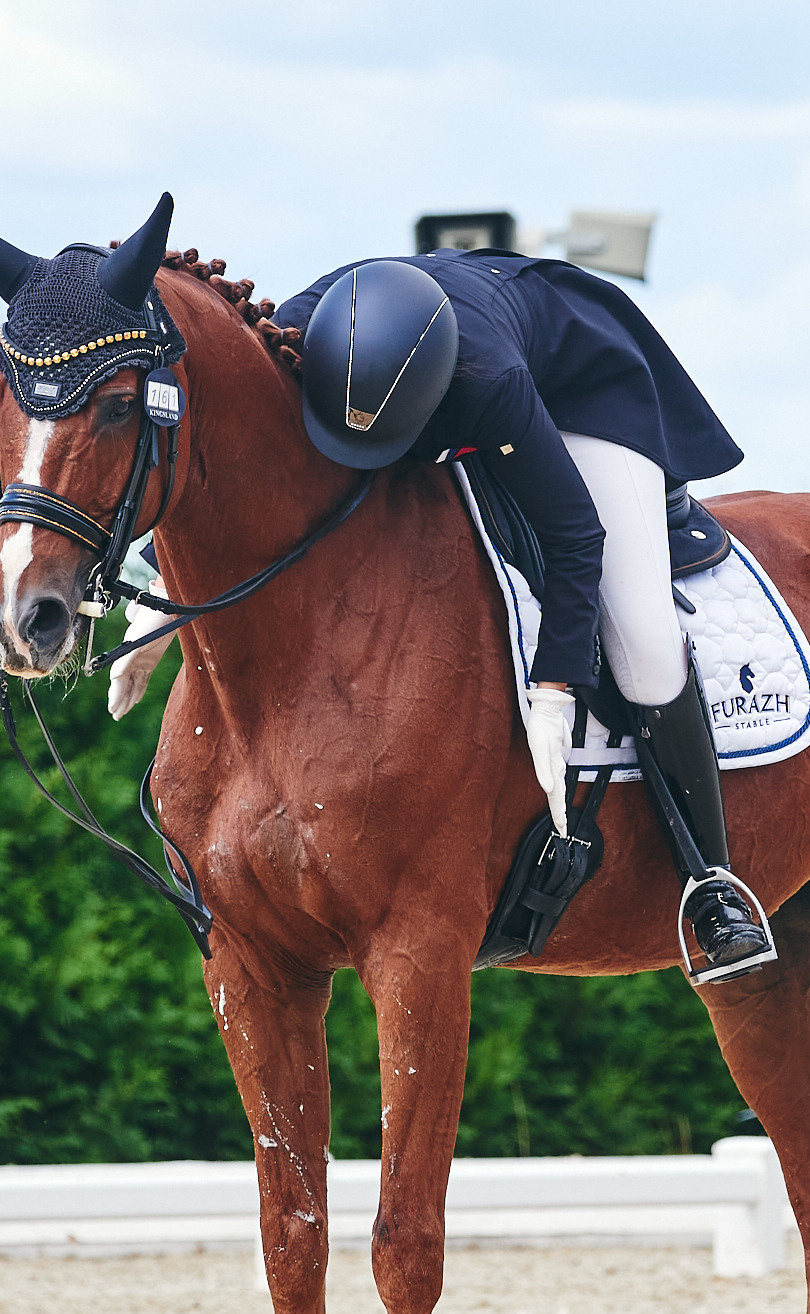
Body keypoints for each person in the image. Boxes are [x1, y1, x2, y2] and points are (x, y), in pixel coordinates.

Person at [268, 249, 773, 978]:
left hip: (582, 389)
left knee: (643, 637)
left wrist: (553, 690)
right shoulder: (296, 331)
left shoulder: (490, 383)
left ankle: (713, 885)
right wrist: (156, 592)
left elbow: (575, 537)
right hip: (421, 358)